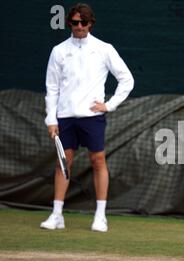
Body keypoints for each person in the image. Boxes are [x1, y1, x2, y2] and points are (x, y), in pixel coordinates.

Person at [40, 3, 134, 232]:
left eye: (83, 22)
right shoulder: (59, 51)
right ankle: (57, 214)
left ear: (91, 23)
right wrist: (51, 119)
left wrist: (109, 105)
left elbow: (127, 79)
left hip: (92, 116)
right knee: (64, 162)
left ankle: (100, 216)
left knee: (98, 161)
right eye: (74, 22)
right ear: (69, 23)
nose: (79, 26)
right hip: (65, 116)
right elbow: (51, 88)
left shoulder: (104, 49)